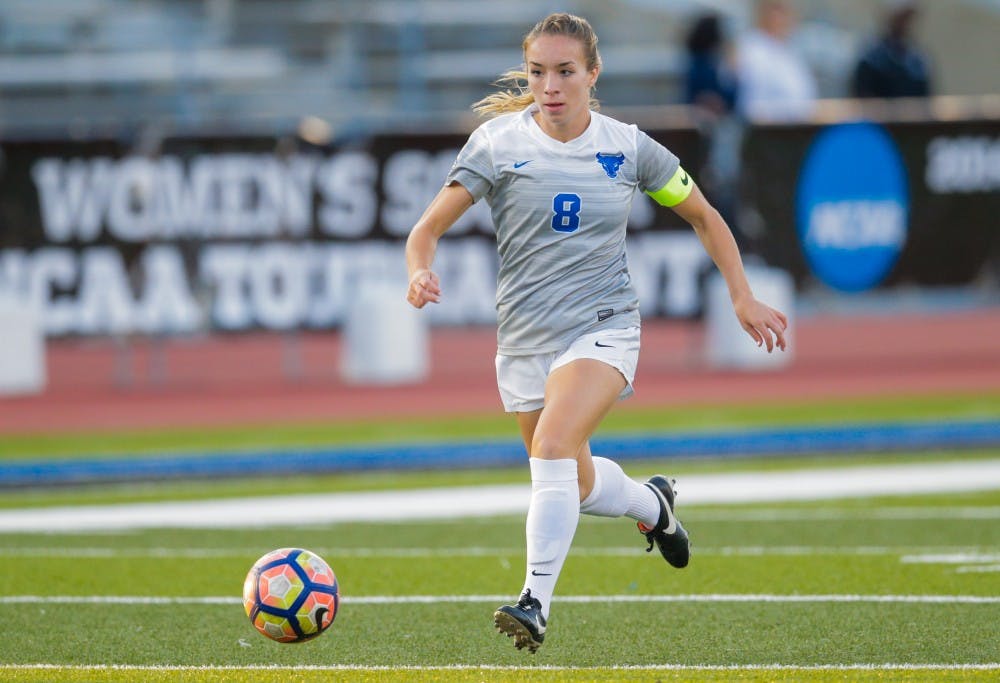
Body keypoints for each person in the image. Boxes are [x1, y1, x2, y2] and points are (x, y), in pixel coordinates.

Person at [405, 12, 788, 653]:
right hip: (524, 339)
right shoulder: (498, 143)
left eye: (564, 71)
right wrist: (419, 271)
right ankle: (654, 505)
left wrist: (742, 294)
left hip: (604, 327)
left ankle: (534, 602)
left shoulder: (627, 146)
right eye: (537, 72)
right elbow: (426, 229)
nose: (550, 85)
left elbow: (703, 215)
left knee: (552, 450)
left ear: (592, 73)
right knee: (572, 484)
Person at [735, 0, 817, 121]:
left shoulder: (788, 50)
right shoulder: (752, 48)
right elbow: (753, 102)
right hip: (766, 130)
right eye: (779, 12)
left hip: (794, 128)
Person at [852, 0, 932, 99]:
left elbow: (926, 101)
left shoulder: (918, 61)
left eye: (909, 17)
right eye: (902, 17)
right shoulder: (870, 59)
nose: (906, 23)